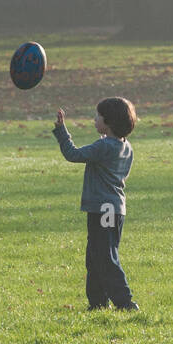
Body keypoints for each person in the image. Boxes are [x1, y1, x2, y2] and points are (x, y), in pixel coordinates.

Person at [52, 98, 140, 311]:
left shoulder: (104, 146)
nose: (94, 119)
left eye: (98, 116)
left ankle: (124, 301)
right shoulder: (125, 146)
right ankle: (98, 303)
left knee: (105, 257)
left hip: (103, 209)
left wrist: (62, 132)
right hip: (115, 209)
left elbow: (73, 154)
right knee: (96, 256)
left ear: (108, 121)